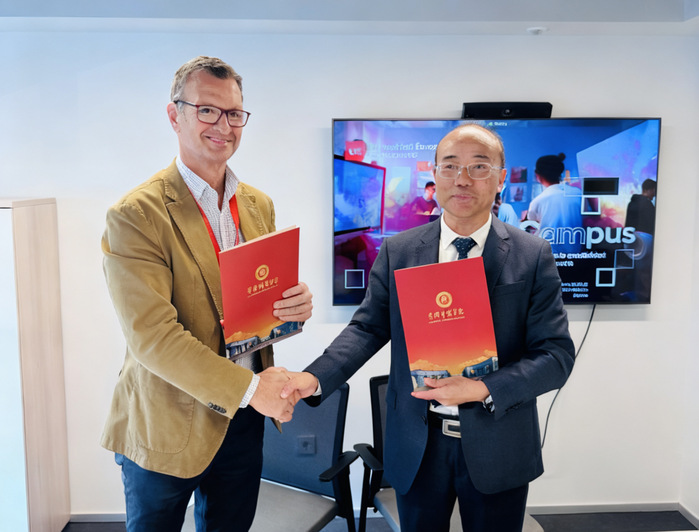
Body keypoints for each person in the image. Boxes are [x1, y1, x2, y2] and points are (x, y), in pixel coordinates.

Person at [282, 124, 575, 532]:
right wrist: (314, 378)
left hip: (499, 443)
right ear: (435, 174)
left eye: (478, 167)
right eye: (450, 166)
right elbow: (366, 330)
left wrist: (481, 388)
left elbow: (556, 356)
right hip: (418, 445)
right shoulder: (400, 250)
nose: (462, 179)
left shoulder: (532, 253)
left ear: (501, 178)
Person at [101, 56, 312, 532]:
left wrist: (292, 306)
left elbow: (252, 302)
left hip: (243, 419)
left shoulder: (257, 204)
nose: (224, 125)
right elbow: (153, 338)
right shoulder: (136, 214)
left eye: (234, 113)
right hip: (166, 421)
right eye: (207, 110)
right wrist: (253, 389)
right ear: (174, 115)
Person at [527, 153, 583, 254]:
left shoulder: (538, 201)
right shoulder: (578, 194)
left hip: (549, 257)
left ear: (537, 175)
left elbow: (531, 228)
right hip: (578, 256)